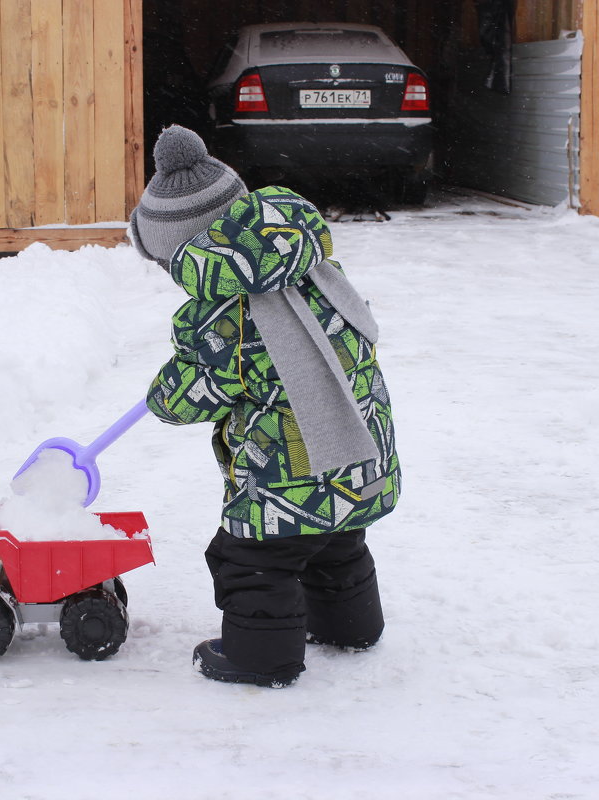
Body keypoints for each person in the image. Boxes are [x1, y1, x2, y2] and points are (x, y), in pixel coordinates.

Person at [130, 126, 401, 687]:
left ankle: (262, 657)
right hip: (358, 447)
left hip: (289, 474)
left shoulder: (222, 314)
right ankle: (351, 627)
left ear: (185, 251)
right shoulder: (313, 267)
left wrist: (160, 396)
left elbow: (190, 393)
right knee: (335, 541)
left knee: (253, 559)